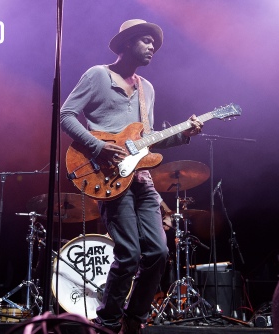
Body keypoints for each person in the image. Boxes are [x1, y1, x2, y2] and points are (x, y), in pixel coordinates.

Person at [60, 19, 203, 333]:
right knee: (129, 255)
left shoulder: (146, 89)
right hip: (109, 177)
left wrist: (184, 134)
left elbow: (147, 139)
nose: (153, 47)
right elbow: (66, 115)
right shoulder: (98, 75)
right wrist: (99, 148)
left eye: (154, 43)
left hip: (141, 179)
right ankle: (108, 320)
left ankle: (134, 320)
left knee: (159, 251)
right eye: (146, 40)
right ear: (126, 43)